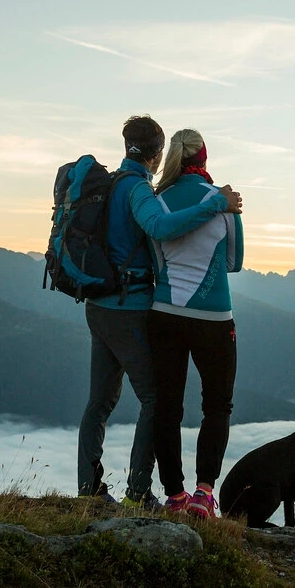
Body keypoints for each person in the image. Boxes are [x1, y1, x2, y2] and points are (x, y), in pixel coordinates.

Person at [77, 116, 243, 508]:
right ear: (155, 153)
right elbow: (161, 229)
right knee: (156, 401)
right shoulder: (137, 190)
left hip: (97, 305)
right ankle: (137, 492)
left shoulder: (113, 183)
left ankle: (88, 489)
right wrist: (218, 203)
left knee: (99, 402)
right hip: (128, 306)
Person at [147, 129, 244, 518]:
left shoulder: (158, 203)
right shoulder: (223, 201)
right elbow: (234, 262)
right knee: (217, 406)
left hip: (165, 315)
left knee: (167, 408)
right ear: (204, 157)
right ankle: (204, 495)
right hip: (215, 320)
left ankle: (174, 496)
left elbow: (157, 264)